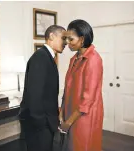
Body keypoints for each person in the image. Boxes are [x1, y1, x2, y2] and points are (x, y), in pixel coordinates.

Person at [19, 25, 66, 151]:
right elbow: (35, 94)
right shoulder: (40, 58)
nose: (66, 42)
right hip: (39, 125)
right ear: (51, 36)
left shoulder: (47, 57)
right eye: (63, 38)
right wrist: (41, 123)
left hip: (44, 122)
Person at [59, 19, 104, 151]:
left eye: (71, 39)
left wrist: (68, 122)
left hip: (85, 116)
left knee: (82, 146)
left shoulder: (94, 60)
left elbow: (87, 100)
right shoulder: (74, 58)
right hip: (72, 111)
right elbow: (67, 88)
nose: (67, 43)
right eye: (66, 39)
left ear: (82, 39)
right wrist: (62, 110)